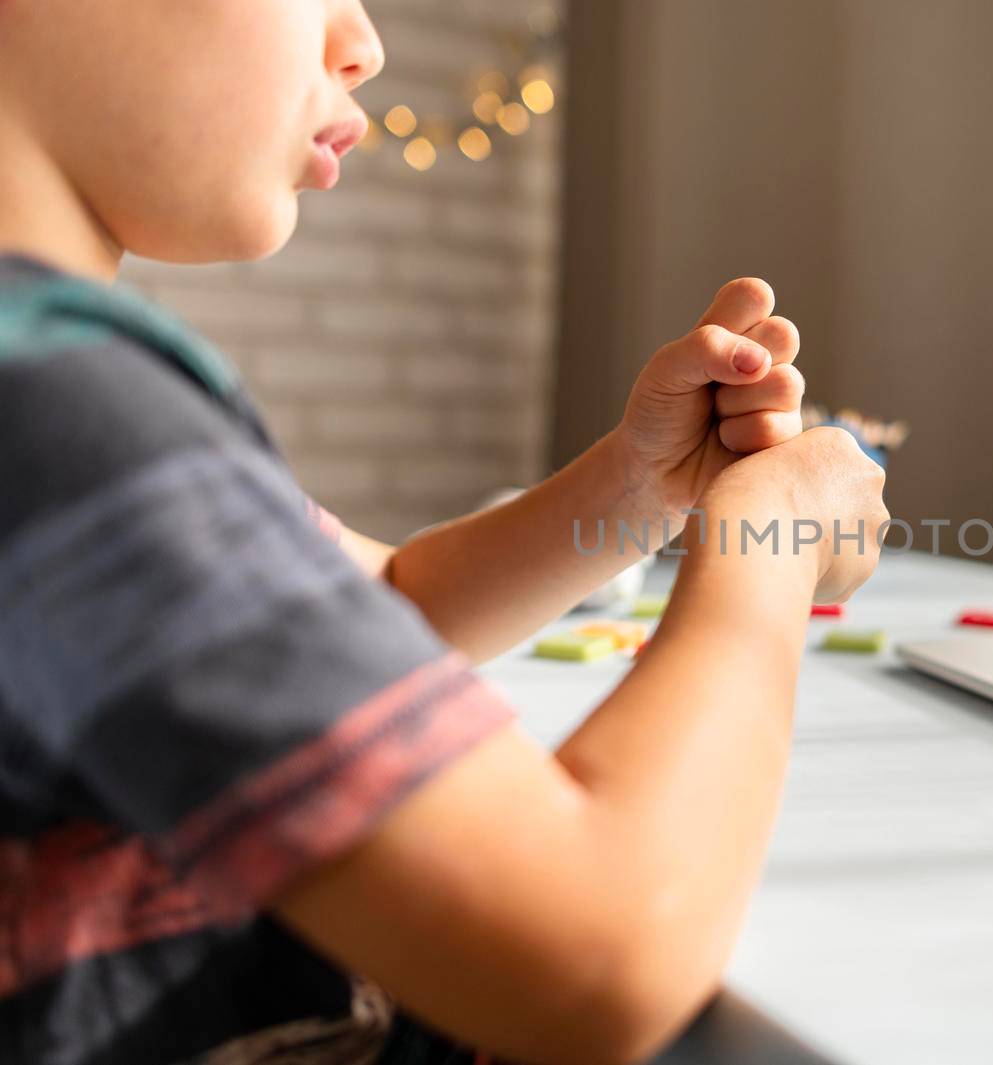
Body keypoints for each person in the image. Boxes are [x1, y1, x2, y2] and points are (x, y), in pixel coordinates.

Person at [0, 2, 889, 1063]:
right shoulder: (57, 420)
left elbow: (384, 607)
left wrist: (642, 487)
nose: (363, 42)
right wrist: (770, 542)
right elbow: (602, 953)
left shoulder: (56, 389)